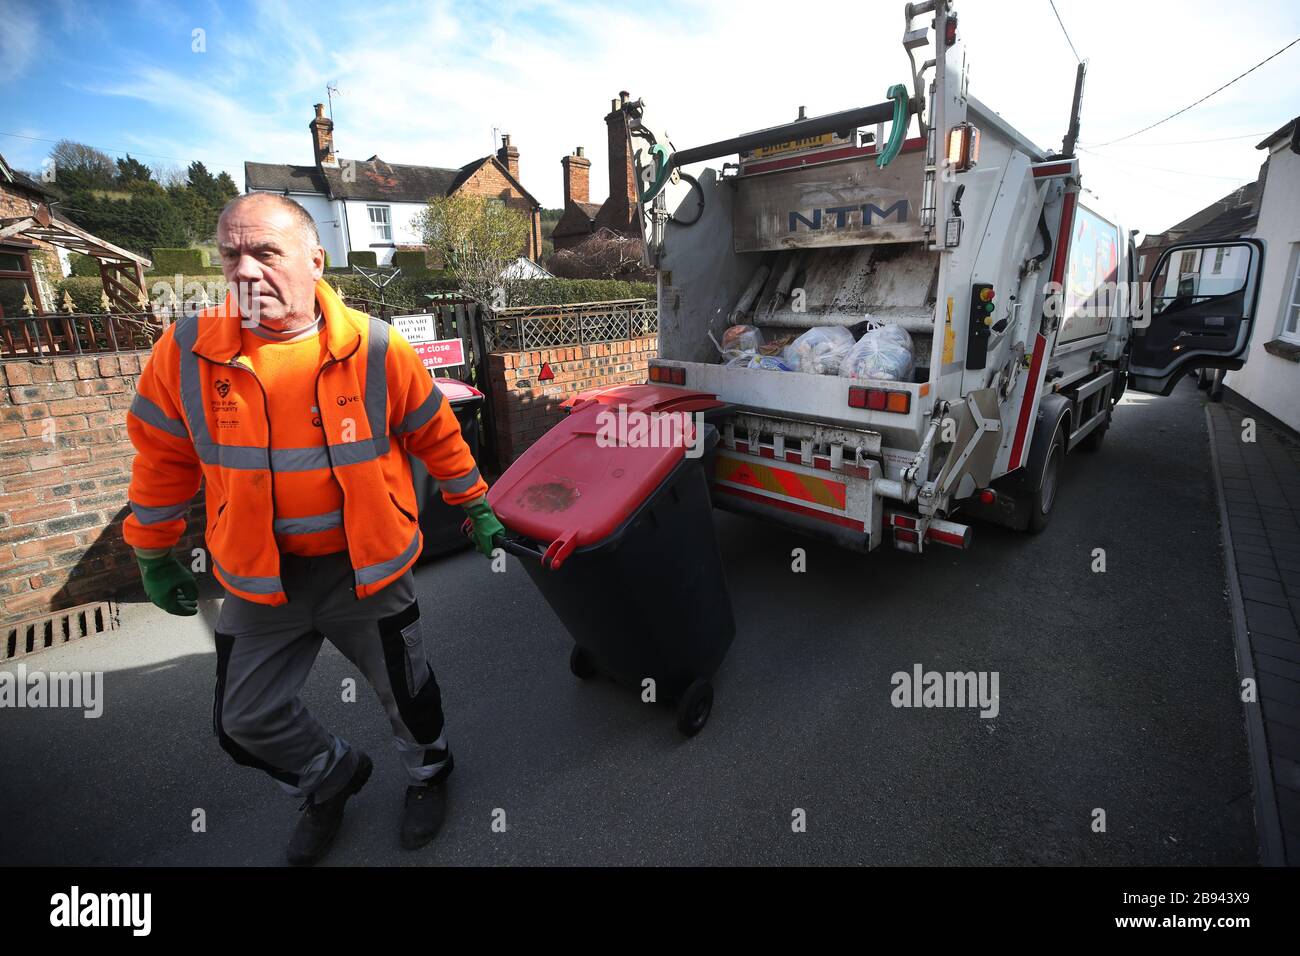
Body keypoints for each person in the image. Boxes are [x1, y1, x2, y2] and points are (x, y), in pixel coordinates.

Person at [122, 192, 504, 865]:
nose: (243, 271)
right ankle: (330, 775)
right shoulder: (185, 353)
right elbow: (161, 460)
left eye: (264, 253)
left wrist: (473, 501)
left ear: (314, 260)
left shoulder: (374, 346)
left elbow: (435, 433)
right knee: (243, 722)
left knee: (406, 693)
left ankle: (430, 775)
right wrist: (154, 552)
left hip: (367, 567)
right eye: (230, 256)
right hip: (257, 576)